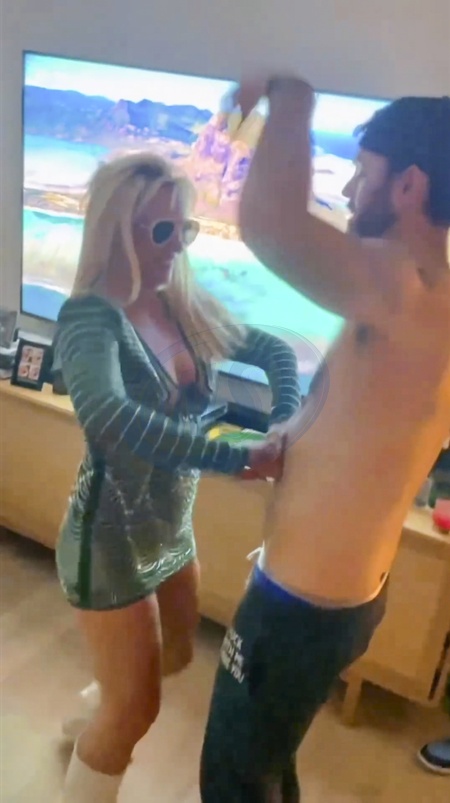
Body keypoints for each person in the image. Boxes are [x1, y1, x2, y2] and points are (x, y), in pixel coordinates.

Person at [200, 75, 450, 801]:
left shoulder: (403, 285)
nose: (346, 191)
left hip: (299, 610)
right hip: (337, 597)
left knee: (233, 780)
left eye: (362, 173)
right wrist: (295, 438)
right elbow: (366, 413)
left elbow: (270, 224)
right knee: (266, 765)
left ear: (409, 185)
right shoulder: (426, 293)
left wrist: (292, 100)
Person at [53, 151, 301, 801]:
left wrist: (283, 423)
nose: (177, 245)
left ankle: (90, 720)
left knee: (178, 654)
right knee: (137, 710)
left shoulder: (180, 304)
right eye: (162, 230)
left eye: (184, 229)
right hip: (106, 541)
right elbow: (109, 417)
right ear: (116, 231)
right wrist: (234, 456)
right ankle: (105, 727)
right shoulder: (89, 318)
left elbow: (274, 351)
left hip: (168, 530)